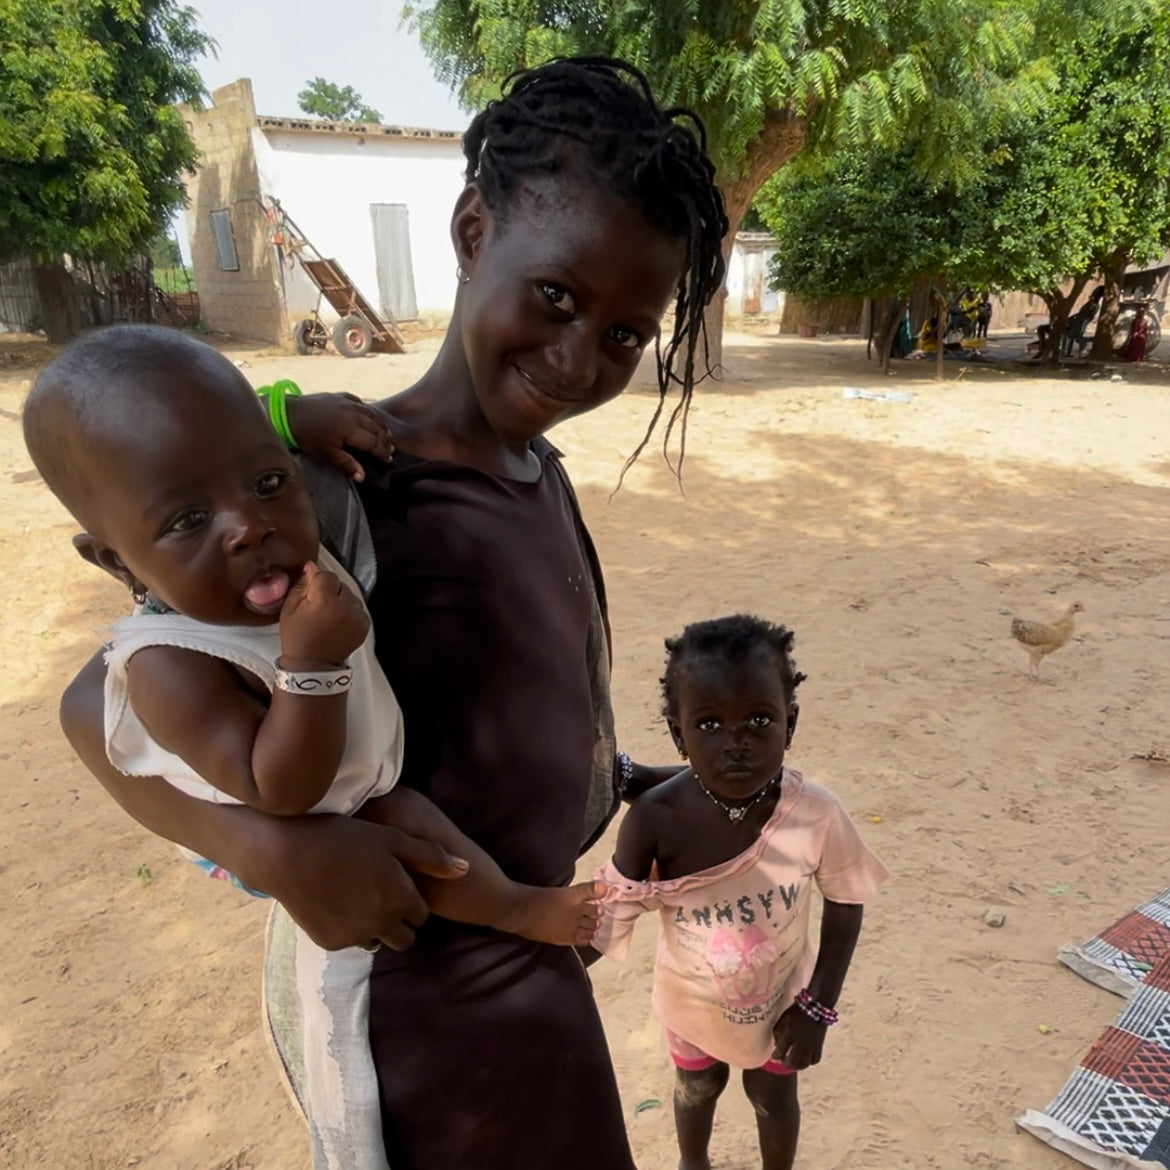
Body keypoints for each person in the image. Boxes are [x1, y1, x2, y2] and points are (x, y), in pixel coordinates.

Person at [55, 56, 728, 1170]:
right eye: (556, 296)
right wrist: (264, 846)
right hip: (410, 992)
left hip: (524, 958)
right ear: (473, 232)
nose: (576, 357)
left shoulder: (536, 471)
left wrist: (637, 779)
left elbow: (491, 708)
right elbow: (100, 697)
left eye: (622, 335)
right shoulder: (333, 487)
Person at [23, 326, 608, 1167]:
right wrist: (311, 665)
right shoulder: (171, 664)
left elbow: (226, 433)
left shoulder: (278, 554)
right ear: (114, 559)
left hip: (349, 780)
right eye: (188, 520)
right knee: (403, 833)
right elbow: (281, 790)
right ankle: (522, 909)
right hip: (314, 822)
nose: (248, 527)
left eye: (270, 483)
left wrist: (297, 417)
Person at [591, 616, 887, 1170]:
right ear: (678, 735)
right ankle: (693, 1163)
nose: (737, 745)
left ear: (790, 724)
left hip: (782, 1004)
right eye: (708, 725)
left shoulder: (815, 813)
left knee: (772, 1098)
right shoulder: (655, 821)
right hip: (692, 1006)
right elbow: (609, 919)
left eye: (759, 720)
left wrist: (818, 1005)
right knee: (696, 1090)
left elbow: (847, 899)